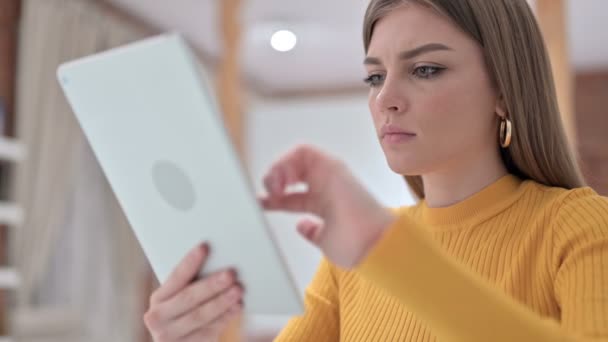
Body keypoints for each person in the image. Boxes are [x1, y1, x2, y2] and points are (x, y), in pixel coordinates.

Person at [143, 0, 608, 341]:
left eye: (425, 69)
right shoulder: (349, 265)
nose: (385, 98)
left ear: (504, 89)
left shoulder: (578, 226)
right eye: (374, 76)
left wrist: (385, 251)